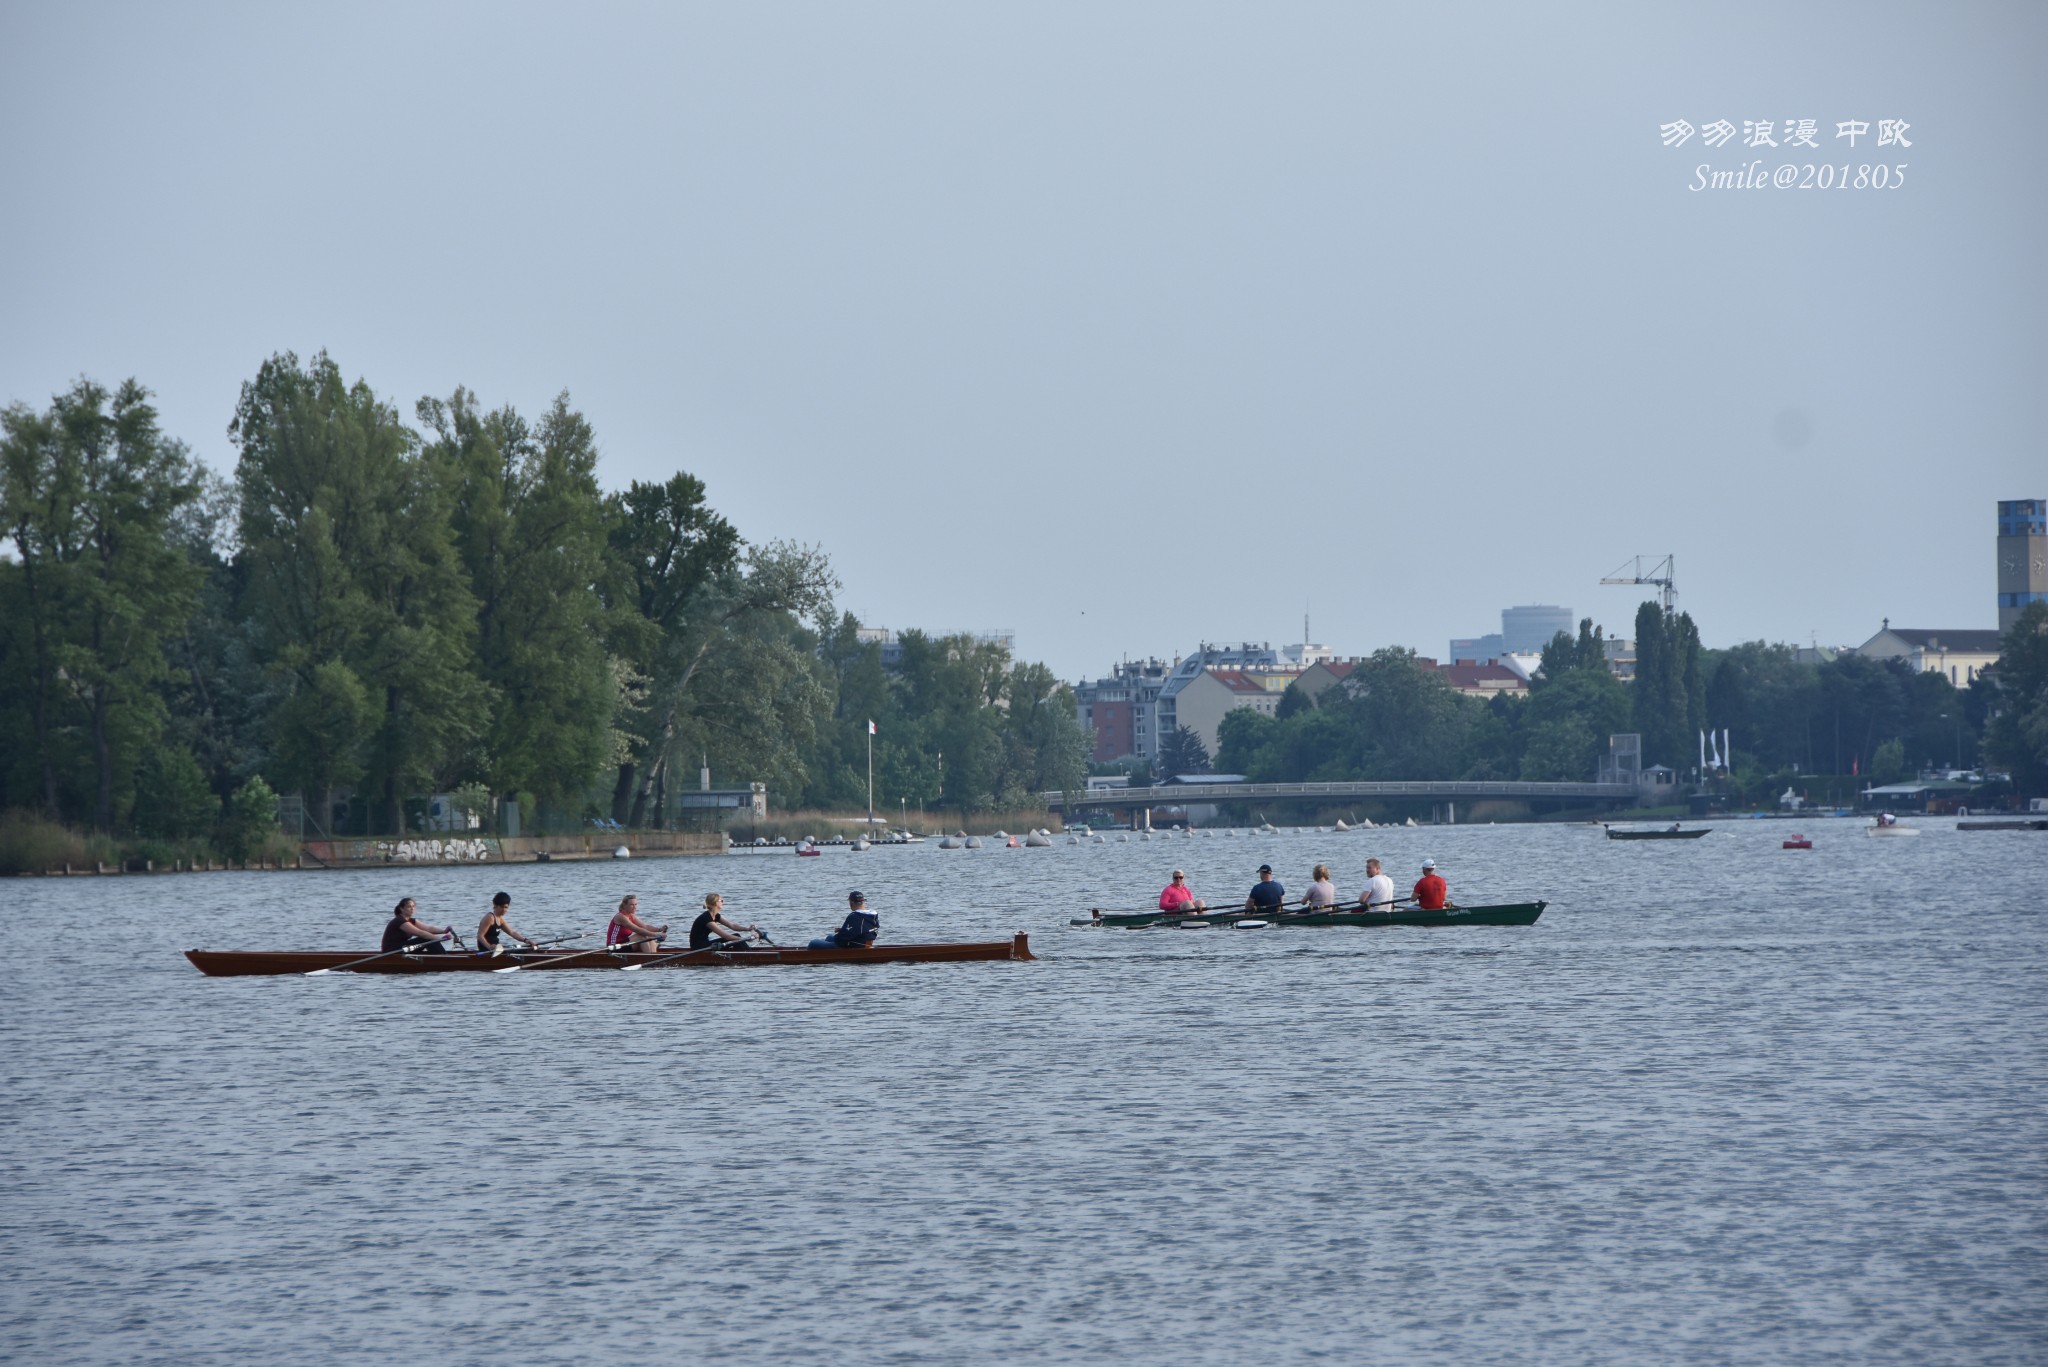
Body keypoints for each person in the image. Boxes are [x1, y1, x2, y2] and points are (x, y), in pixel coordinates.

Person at [810, 890, 880, 950]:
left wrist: (841, 934)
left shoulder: (854, 916)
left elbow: (842, 939)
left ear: (851, 902)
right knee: (829, 937)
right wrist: (843, 930)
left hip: (854, 945)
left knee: (813, 943)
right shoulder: (873, 915)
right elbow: (865, 929)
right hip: (865, 943)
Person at [476, 891, 539, 956]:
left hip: (497, 949)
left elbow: (512, 933)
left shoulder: (500, 919)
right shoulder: (490, 917)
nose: (504, 910)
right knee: (525, 951)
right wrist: (489, 947)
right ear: (495, 905)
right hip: (487, 949)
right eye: (502, 907)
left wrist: (526, 940)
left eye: (506, 907)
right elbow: (480, 936)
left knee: (529, 949)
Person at [383, 898, 454, 954]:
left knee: (428, 937)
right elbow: (420, 933)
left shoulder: (411, 920)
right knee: (426, 938)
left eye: (413, 906)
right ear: (401, 909)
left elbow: (429, 929)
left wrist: (444, 931)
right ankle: (444, 958)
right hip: (392, 951)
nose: (412, 909)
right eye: (409, 907)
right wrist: (439, 939)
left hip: (403, 948)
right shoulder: (399, 921)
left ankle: (442, 957)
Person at [690, 892, 757, 950]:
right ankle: (750, 956)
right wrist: (746, 939)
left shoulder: (716, 915)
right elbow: (727, 937)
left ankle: (746, 954)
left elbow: (732, 926)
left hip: (705, 944)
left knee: (736, 936)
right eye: (721, 900)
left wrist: (748, 929)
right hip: (699, 947)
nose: (723, 902)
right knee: (736, 939)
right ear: (716, 903)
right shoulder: (707, 919)